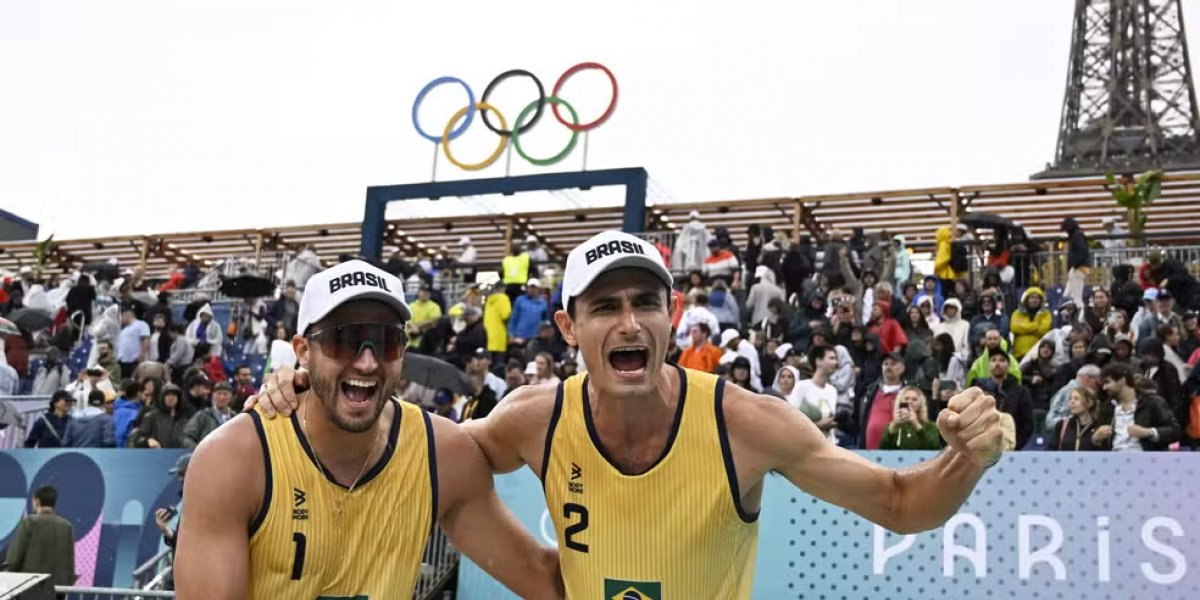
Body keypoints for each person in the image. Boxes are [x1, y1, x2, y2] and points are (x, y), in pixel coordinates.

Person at [253, 230, 1004, 599]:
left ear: (672, 317)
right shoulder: (534, 418)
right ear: (568, 327)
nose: (629, 322)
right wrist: (298, 392)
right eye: (605, 306)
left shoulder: (744, 423)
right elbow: (414, 450)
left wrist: (968, 454)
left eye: (646, 302)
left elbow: (902, 504)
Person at [176, 260, 561, 599]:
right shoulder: (234, 459)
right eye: (344, 340)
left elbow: (544, 580)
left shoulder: (442, 453)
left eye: (386, 342)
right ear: (303, 351)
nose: (367, 362)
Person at [1091, 363, 1181, 451]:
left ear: (1122, 380)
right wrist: (1095, 439)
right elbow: (1098, 443)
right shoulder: (1107, 408)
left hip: (1146, 458)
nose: (1104, 388)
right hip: (1113, 459)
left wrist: (1148, 432)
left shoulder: (1153, 403)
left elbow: (1175, 431)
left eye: (1107, 382)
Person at [3, 486, 75, 590]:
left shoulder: (30, 522)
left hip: (30, 588)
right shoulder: (67, 527)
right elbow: (69, 564)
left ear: (37, 501)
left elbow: (14, 559)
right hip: (56, 590)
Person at [1047, 387, 1102, 451]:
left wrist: (1095, 442)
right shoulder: (1062, 425)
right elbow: (1050, 450)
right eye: (1070, 399)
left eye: (1076, 399)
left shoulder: (1098, 427)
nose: (1072, 402)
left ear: (1089, 403)